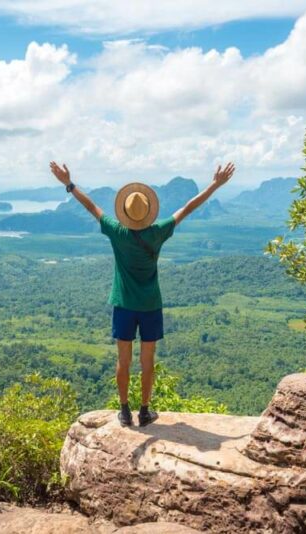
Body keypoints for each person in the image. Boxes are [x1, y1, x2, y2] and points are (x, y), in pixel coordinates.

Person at [49, 161, 235, 426]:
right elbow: (188, 208)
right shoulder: (158, 232)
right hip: (150, 306)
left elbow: (90, 207)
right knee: (147, 361)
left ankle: (124, 411)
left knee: (123, 361)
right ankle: (144, 410)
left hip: (123, 305)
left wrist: (68, 183)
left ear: (124, 211)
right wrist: (215, 185)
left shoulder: (117, 231)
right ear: (147, 211)